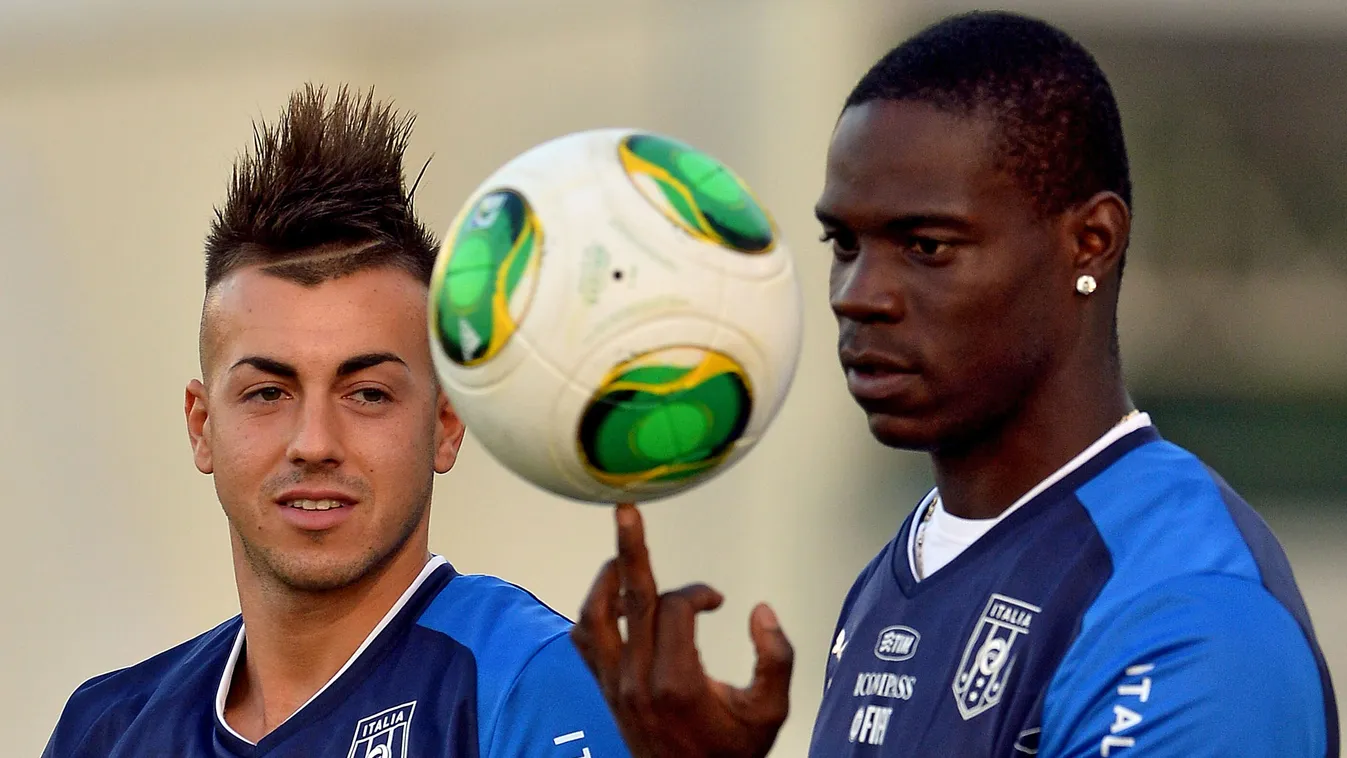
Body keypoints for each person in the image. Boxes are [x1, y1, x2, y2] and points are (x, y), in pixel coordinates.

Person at [570, 11, 1339, 757]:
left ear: (1089, 243)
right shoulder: (900, 571)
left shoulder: (1188, 616)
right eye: (843, 242)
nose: (857, 293)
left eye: (926, 245)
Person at [43, 84, 630, 758]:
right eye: (268, 393)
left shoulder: (530, 681)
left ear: (446, 423)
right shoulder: (106, 729)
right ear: (201, 425)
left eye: (368, 394)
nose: (314, 443)